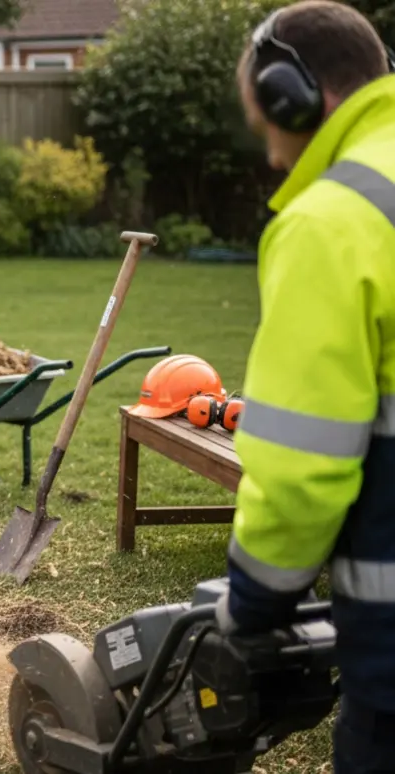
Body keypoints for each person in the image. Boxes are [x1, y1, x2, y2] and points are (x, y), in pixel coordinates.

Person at [215, 1, 395, 770]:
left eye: (267, 125)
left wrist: (254, 598)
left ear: (294, 96)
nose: (271, 155)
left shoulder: (335, 221)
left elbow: (302, 466)